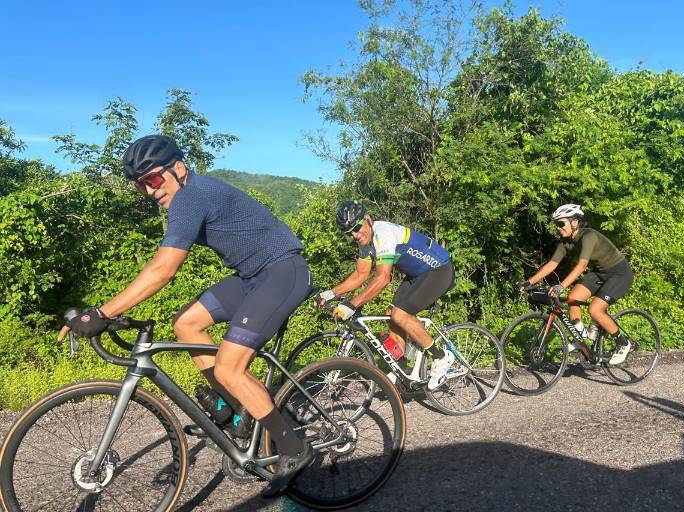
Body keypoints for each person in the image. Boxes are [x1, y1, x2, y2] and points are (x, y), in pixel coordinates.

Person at [58, 134, 313, 497]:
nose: (148, 191)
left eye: (153, 179)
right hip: (251, 276)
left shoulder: (191, 195)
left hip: (282, 271)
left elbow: (164, 269)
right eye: (140, 185)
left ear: (178, 168)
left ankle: (293, 447)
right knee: (186, 323)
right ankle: (236, 407)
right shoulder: (186, 195)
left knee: (228, 366)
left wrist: (102, 313)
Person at [320, 200, 455, 390]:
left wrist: (352, 304)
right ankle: (402, 369)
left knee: (401, 314)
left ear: (368, 219)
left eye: (357, 227)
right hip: (418, 275)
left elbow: (383, 278)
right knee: (391, 315)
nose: (355, 235)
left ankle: (440, 357)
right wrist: (331, 293)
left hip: (438, 269)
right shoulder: (365, 242)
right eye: (349, 233)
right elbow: (360, 275)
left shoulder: (382, 233)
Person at [518, 204, 634, 364]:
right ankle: (582, 338)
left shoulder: (589, 236)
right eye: (556, 224)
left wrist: (561, 286)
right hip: (600, 273)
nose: (558, 228)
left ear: (575, 222)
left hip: (619, 274)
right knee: (573, 298)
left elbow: (581, 265)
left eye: (561, 224)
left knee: (595, 309)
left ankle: (623, 343)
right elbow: (552, 264)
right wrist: (528, 282)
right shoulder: (566, 242)